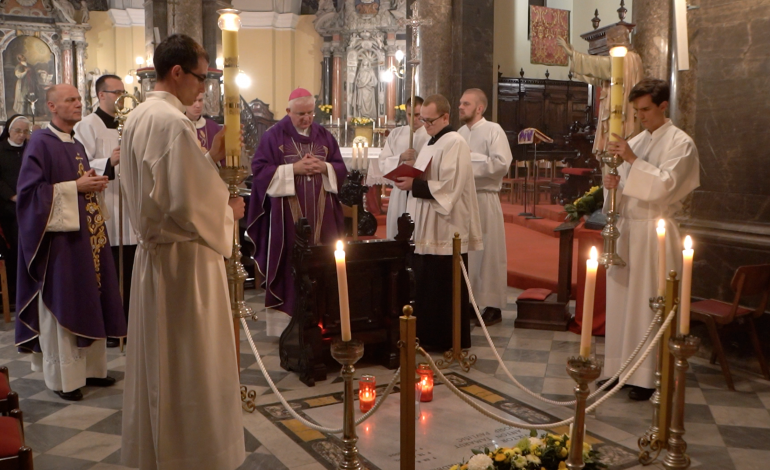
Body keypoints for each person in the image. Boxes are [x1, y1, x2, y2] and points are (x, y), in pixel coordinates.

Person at [119, 34, 245, 470]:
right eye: (199, 77)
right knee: (190, 366)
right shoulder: (171, 122)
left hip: (156, 258)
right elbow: (188, 204)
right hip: (184, 265)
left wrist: (207, 158)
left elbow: (167, 187)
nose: (203, 87)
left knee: (162, 365)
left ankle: (159, 453)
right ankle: (194, 456)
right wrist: (228, 210)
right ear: (176, 73)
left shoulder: (140, 115)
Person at [15, 84, 125, 401]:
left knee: (89, 298)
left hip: (85, 238)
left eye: (78, 99)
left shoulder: (74, 143)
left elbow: (75, 181)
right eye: (70, 100)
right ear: (52, 106)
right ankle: (64, 378)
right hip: (58, 248)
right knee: (63, 302)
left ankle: (92, 371)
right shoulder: (40, 143)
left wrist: (91, 182)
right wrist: (75, 186)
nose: (78, 104)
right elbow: (30, 196)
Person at [601, 78, 700, 401]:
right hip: (629, 229)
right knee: (622, 300)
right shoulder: (638, 140)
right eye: (636, 111)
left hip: (656, 230)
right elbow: (625, 186)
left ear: (663, 106)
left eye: (645, 110)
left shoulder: (681, 143)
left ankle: (646, 376)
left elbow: (664, 186)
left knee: (648, 303)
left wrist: (630, 161)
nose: (641, 117)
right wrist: (611, 184)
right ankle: (618, 368)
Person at [247, 88, 347, 336]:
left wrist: (324, 167)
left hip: (323, 217)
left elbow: (340, 168)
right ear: (288, 111)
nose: (307, 119)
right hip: (286, 219)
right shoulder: (273, 136)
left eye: (311, 113)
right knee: (289, 263)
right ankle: (286, 327)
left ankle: (325, 320)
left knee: (325, 261)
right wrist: (293, 169)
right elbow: (259, 172)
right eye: (301, 114)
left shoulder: (324, 135)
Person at [394, 94, 482, 351]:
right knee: (427, 283)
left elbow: (450, 186)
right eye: (422, 120)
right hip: (427, 224)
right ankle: (429, 336)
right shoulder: (433, 142)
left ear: (445, 117)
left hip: (446, 227)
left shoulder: (454, 142)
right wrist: (409, 174)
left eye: (430, 120)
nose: (425, 125)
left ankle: (447, 339)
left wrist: (415, 184)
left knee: (443, 285)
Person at [74, 75, 136, 347]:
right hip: (105, 205)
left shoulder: (131, 124)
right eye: (116, 92)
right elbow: (79, 164)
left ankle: (132, 324)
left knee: (132, 266)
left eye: (124, 92)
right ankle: (112, 327)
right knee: (109, 269)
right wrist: (107, 161)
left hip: (131, 204)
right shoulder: (86, 125)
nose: (122, 97)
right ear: (101, 95)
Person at [458, 89, 513, 326]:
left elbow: (501, 164)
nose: (460, 107)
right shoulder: (459, 133)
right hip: (464, 199)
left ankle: (493, 305)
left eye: (466, 103)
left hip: (485, 197)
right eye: (460, 103)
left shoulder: (494, 130)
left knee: (489, 252)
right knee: (469, 252)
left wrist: (470, 162)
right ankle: (470, 302)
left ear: (479, 108)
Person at [378, 96, 429, 239]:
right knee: (397, 232)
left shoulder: (430, 134)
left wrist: (417, 162)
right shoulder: (396, 134)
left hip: (420, 191)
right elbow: (383, 162)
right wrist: (400, 157)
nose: (413, 119)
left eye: (418, 115)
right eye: (410, 115)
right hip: (399, 192)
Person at [0, 115, 30, 297]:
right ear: (9, 131)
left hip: (30, 206)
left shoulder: (30, 149)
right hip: (8, 209)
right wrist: (12, 196)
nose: (21, 135)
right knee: (15, 249)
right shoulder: (0, 149)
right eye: (18, 131)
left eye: (25, 131)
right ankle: (15, 290)